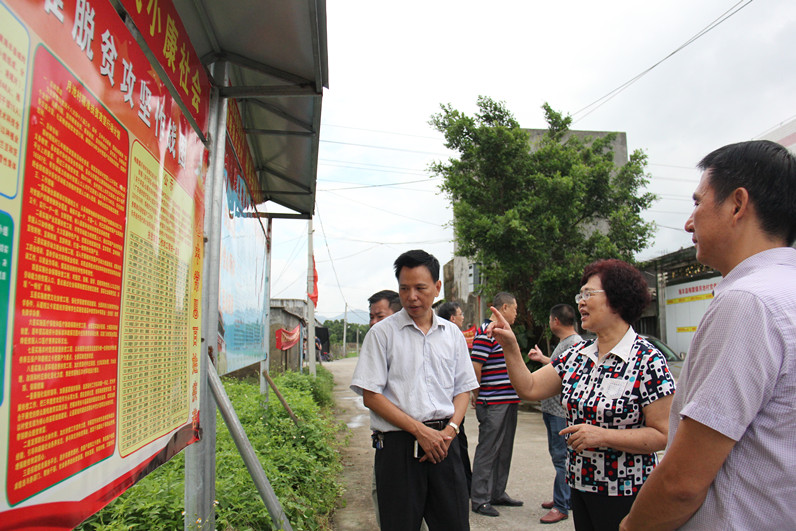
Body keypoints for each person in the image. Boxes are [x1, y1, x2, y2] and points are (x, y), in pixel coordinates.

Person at [621, 140, 796, 531]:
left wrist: (632, 526)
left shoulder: (749, 303)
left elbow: (682, 482)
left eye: (698, 202)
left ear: (737, 204)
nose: (688, 222)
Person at [488, 260, 675, 530]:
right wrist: (510, 346)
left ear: (617, 299)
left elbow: (662, 435)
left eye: (589, 294)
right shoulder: (577, 355)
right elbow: (529, 388)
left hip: (627, 492)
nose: (581, 303)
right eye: (580, 295)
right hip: (580, 486)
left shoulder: (648, 360)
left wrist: (603, 436)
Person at [351, 250, 478, 530]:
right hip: (398, 448)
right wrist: (420, 432)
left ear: (436, 288)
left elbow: (463, 390)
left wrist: (450, 430)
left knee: (454, 523)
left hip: (446, 444)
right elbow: (371, 395)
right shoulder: (382, 334)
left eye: (420, 288)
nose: (412, 296)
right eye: (404, 288)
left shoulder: (452, 334)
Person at [527, 304, 582, 524]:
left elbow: (566, 373)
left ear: (555, 321)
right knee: (558, 457)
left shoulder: (575, 343)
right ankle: (563, 497)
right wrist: (543, 359)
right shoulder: (566, 343)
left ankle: (561, 506)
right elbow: (559, 367)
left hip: (560, 412)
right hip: (552, 410)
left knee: (562, 459)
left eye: (550, 320)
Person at [469, 292, 524, 517]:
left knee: (504, 449)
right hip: (493, 401)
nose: (516, 314)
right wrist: (479, 396)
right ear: (504, 307)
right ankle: (480, 498)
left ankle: (497, 492)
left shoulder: (504, 333)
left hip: (509, 398)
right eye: (515, 309)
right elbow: (475, 367)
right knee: (488, 449)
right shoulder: (486, 333)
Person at [365, 289, 402, 529]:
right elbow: (371, 396)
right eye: (371, 317)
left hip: (408, 443)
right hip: (389, 443)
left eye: (379, 316)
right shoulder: (376, 343)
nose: (373, 323)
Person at [437, 301, 473, 492]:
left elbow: (463, 380)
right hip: (449, 408)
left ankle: (466, 483)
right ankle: (463, 485)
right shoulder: (452, 335)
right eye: (460, 314)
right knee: (457, 447)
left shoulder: (453, 336)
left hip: (454, 407)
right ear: (452, 318)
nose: (463, 317)